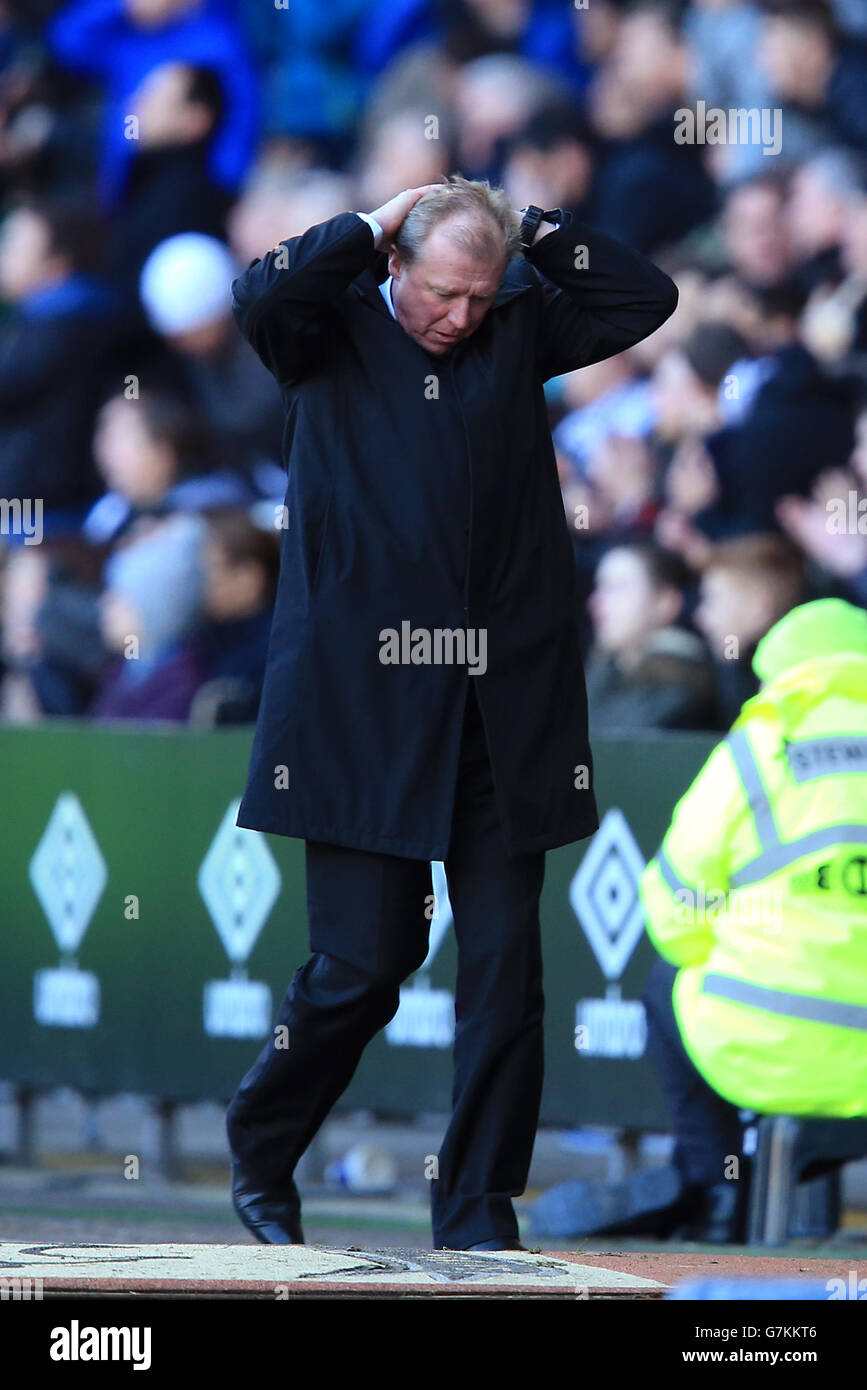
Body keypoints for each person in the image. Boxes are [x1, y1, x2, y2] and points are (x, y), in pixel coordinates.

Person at [224, 174, 678, 1252]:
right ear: (393, 265)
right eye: (441, 292)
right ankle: (263, 1139)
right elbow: (256, 295)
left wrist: (529, 229)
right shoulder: (322, 328)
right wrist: (367, 223)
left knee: (505, 967)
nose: (460, 316)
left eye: (481, 293)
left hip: (503, 707)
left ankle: (476, 1206)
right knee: (359, 970)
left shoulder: (517, 325)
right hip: (359, 710)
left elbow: (643, 296)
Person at [531, 598, 867, 1243]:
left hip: (770, 1049)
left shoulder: (759, 747)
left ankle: (717, 1187)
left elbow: (680, 904)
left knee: (670, 982)